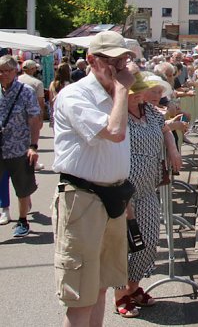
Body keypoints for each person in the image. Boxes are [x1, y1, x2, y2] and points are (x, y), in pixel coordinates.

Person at [52, 31, 135, 327]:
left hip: (111, 197)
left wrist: (125, 197)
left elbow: (117, 153)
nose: (119, 66)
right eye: (111, 60)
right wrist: (123, 91)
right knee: (80, 297)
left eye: (123, 59)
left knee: (99, 286)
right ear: (91, 61)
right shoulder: (75, 95)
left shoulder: (113, 95)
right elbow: (115, 133)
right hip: (82, 200)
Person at [113, 71, 184, 318]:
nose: (140, 95)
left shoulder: (150, 112)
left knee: (149, 241)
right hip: (123, 190)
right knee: (123, 244)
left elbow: (165, 129)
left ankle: (132, 287)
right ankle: (120, 295)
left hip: (148, 186)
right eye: (135, 92)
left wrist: (173, 149)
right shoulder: (118, 113)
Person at [0, 55, 41, 237]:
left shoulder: (25, 91)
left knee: (22, 187)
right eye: (0, 71)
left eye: (7, 71)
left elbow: (34, 119)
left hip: (19, 147)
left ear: (15, 71)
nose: (4, 74)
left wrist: (33, 146)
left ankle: (23, 220)